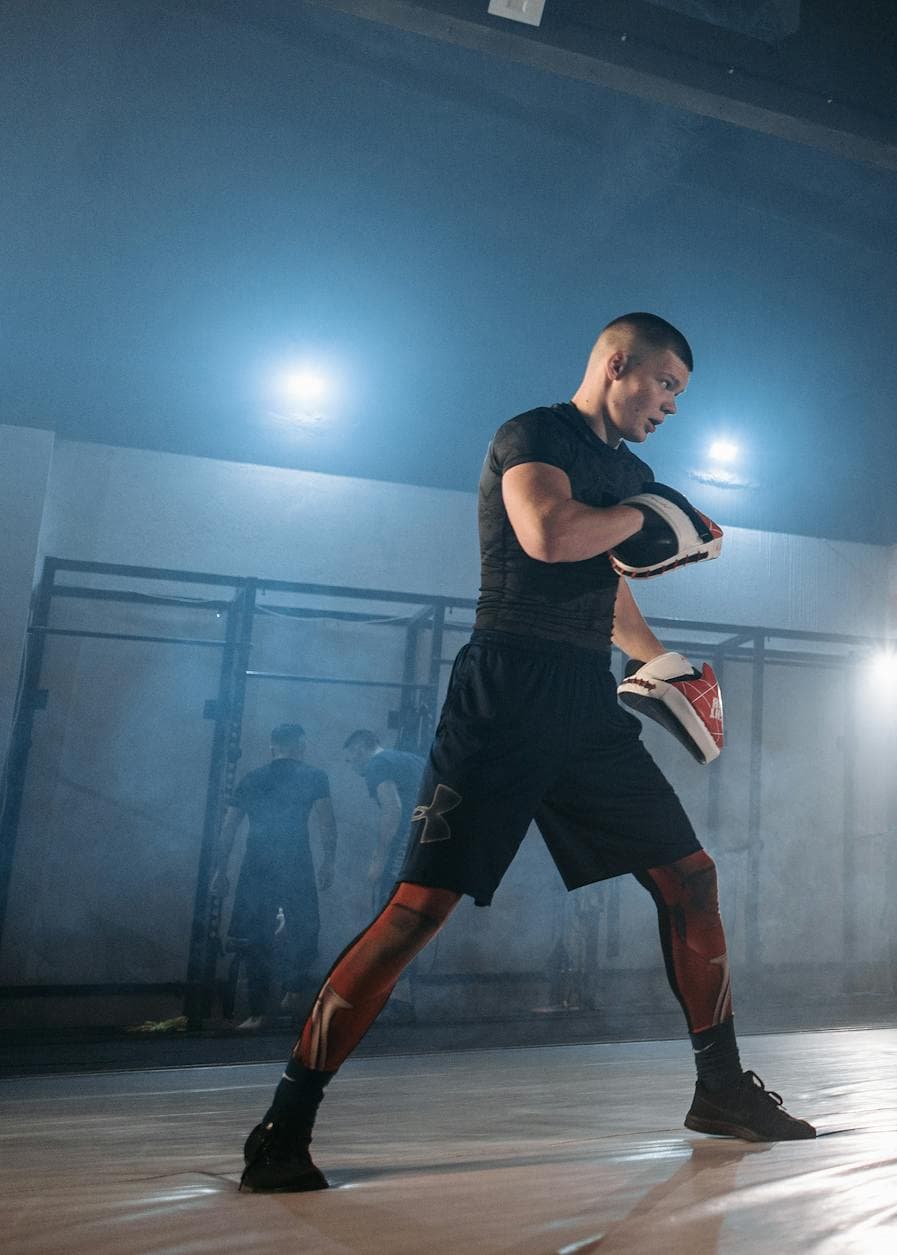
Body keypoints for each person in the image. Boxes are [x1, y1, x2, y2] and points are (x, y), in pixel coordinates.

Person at [240, 313, 814, 1194]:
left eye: (679, 394)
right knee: (418, 909)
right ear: (617, 363)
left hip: (585, 699)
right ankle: (285, 1119)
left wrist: (657, 659)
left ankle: (721, 1087)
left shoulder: (631, 475)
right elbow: (549, 534)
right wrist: (646, 515)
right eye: (664, 384)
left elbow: (604, 585)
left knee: (690, 878)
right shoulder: (533, 436)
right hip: (505, 689)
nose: (670, 406)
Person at [210, 723, 336, 1029]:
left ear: (272, 746)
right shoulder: (314, 776)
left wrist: (220, 871)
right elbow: (326, 823)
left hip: (257, 865)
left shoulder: (251, 778)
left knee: (256, 937)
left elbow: (228, 829)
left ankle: (258, 1012)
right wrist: (328, 861)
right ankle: (293, 991)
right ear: (301, 746)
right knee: (305, 926)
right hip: (295, 862)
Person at [342, 728, 428, 1020]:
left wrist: (378, 860)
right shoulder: (412, 760)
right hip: (427, 849)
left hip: (403, 850)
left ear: (359, 749)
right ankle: (403, 996)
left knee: (390, 921)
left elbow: (393, 809)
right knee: (408, 922)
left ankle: (396, 998)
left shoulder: (377, 764)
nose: (351, 766)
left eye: (349, 759)